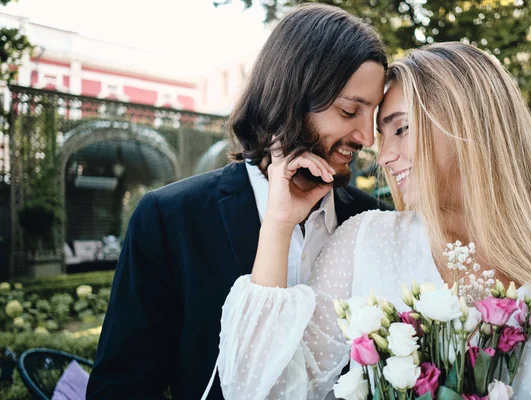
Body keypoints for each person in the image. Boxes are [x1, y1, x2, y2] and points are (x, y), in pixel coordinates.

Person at [217, 42, 531, 399]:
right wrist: (279, 224)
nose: (383, 157)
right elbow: (263, 390)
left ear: (471, 126)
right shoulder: (366, 241)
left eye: (401, 128)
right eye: (384, 136)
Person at [86, 4, 392, 399]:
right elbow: (121, 386)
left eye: (374, 115)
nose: (367, 137)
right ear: (290, 98)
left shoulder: (375, 220)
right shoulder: (170, 218)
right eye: (349, 110)